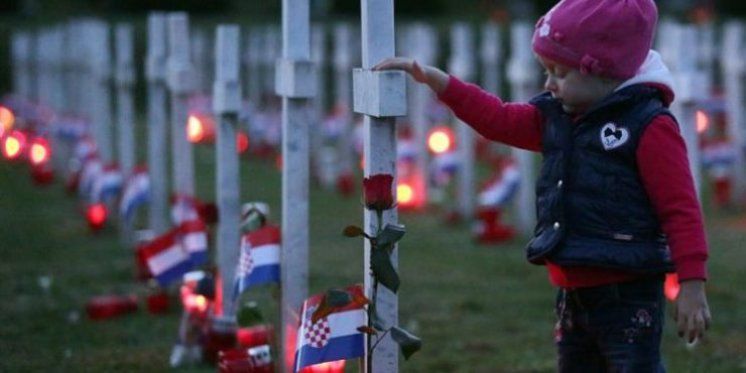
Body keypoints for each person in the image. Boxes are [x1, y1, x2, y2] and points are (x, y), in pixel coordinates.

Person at [374, 0, 711, 371]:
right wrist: (441, 83)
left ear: (604, 71)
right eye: (547, 70)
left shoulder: (649, 126)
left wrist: (691, 283)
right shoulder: (557, 116)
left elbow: (679, 208)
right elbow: (498, 120)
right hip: (571, 288)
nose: (548, 84)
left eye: (560, 73)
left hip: (628, 292)